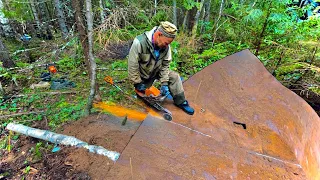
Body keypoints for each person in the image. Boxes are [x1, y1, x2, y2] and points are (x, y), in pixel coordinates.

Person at [128, 21, 194, 115]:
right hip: (143, 75)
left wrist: (164, 83)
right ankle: (141, 90)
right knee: (144, 98)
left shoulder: (166, 46)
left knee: (175, 76)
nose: (167, 46)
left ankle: (181, 101)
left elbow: (165, 66)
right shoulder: (139, 42)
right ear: (159, 34)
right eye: (166, 43)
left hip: (156, 71)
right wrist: (137, 82)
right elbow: (132, 65)